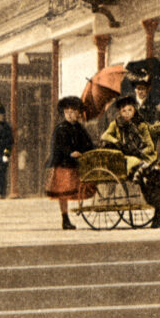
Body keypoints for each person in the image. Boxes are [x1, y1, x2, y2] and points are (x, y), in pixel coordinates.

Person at [100, 95, 160, 228]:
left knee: (154, 175)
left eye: (130, 110)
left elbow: (149, 145)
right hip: (124, 159)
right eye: (124, 111)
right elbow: (105, 135)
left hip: (140, 156)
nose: (127, 114)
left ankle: (157, 210)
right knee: (137, 169)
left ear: (134, 109)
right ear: (120, 112)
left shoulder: (141, 125)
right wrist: (116, 141)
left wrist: (142, 154)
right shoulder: (116, 124)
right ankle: (141, 172)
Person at [46, 96, 94, 231]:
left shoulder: (79, 128)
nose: (71, 115)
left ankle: (68, 217)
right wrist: (70, 152)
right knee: (63, 192)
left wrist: (87, 150)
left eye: (74, 112)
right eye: (68, 112)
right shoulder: (60, 128)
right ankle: (65, 217)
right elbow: (58, 146)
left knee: (74, 189)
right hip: (64, 165)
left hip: (76, 165)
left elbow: (88, 143)